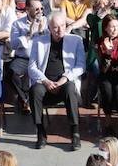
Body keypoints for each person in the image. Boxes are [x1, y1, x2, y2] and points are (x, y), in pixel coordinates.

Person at [28, 11, 84, 151]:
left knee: (70, 88)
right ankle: (41, 133)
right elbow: (32, 67)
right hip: (45, 82)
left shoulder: (76, 40)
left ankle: (75, 132)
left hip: (65, 81)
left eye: (63, 26)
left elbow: (81, 66)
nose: (60, 30)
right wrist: (45, 81)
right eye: (55, 27)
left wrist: (64, 79)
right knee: (34, 91)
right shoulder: (39, 42)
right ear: (49, 28)